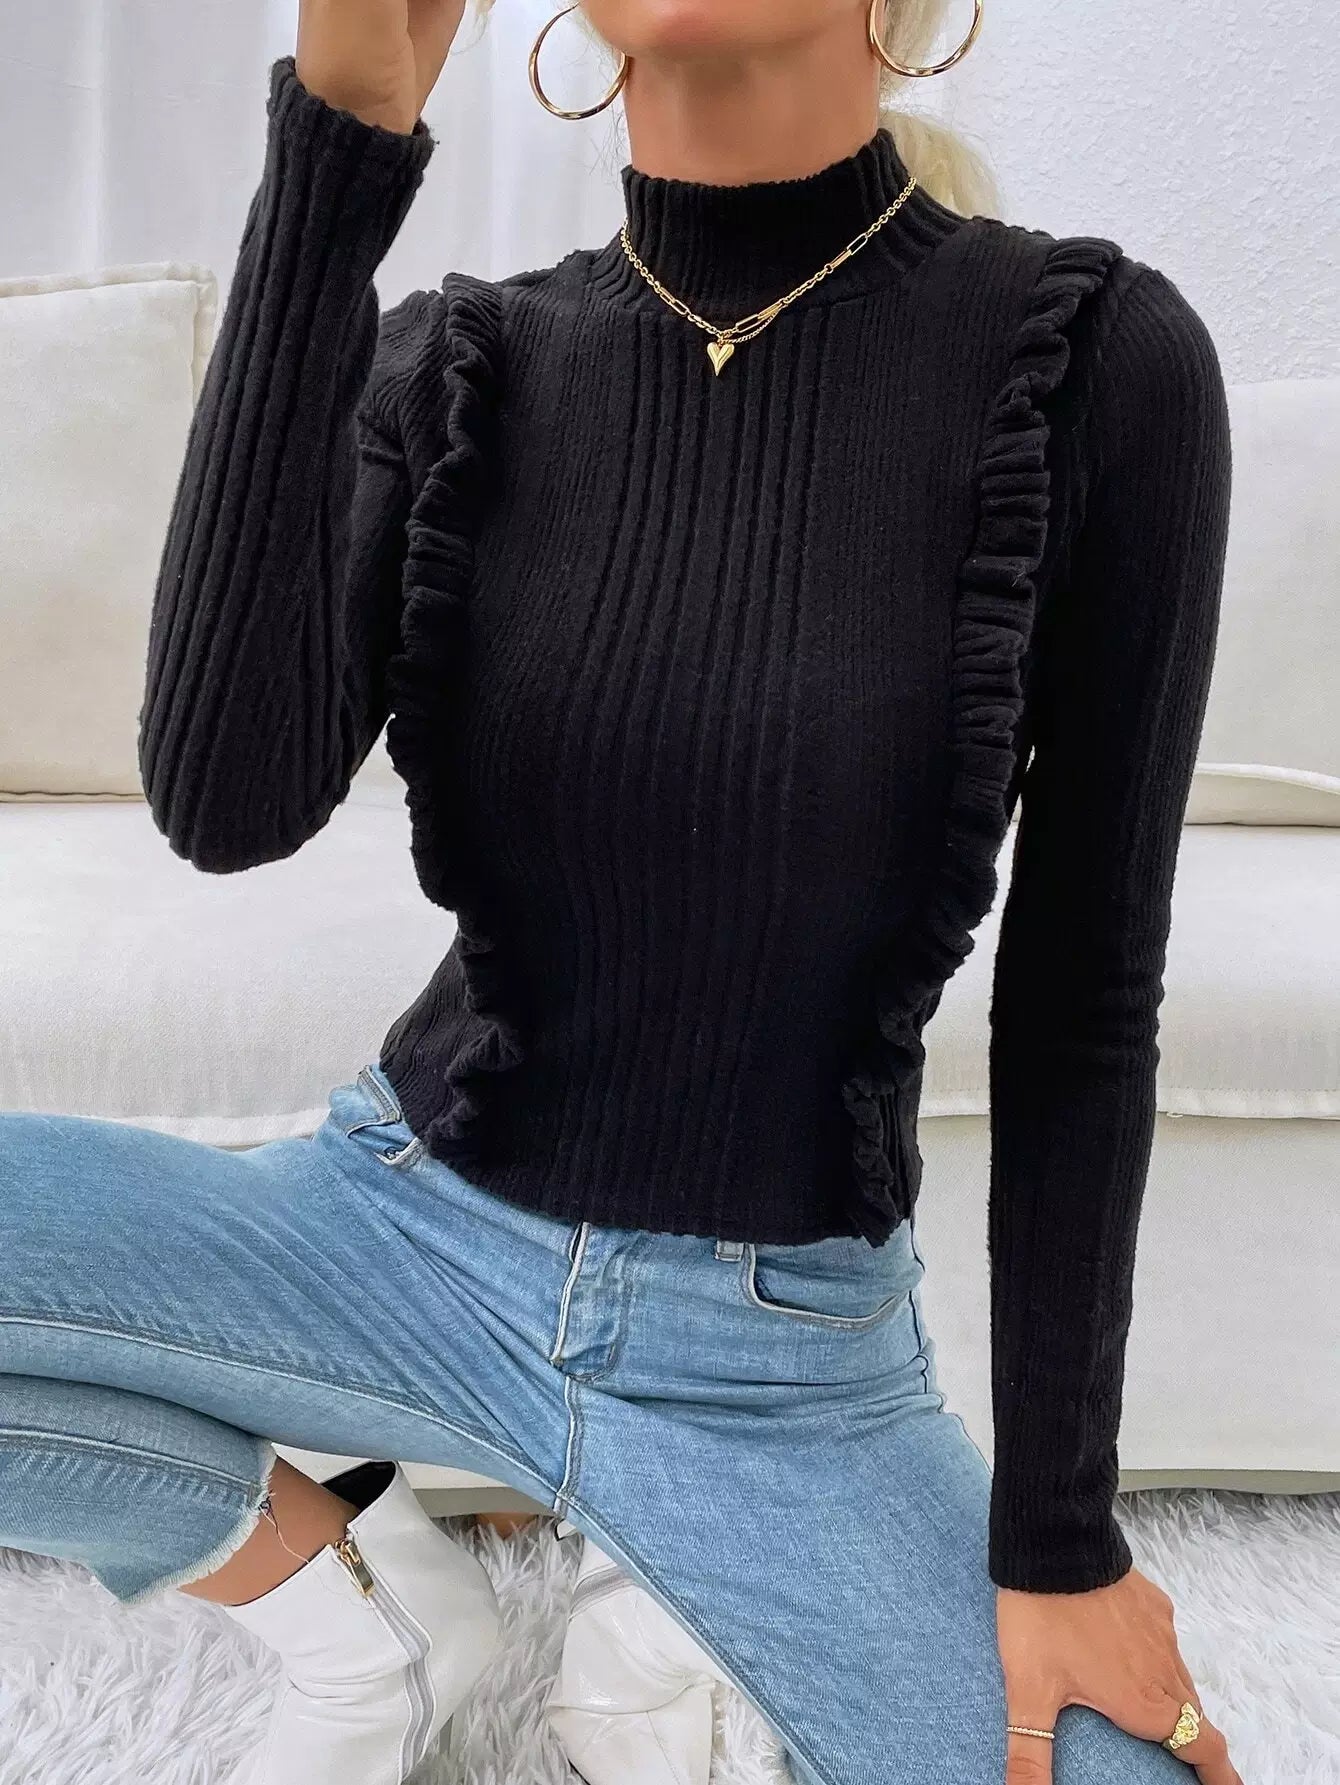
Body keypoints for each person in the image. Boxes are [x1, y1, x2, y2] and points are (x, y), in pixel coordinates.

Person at [0, 2, 1241, 1781]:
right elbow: (222, 799)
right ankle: (360, 1612)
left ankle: (659, 1595)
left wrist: (1062, 1546)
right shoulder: (464, 364)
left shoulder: (1095, 356)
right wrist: (340, 145)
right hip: (402, 1229)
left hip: (773, 1365)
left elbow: (1083, 1001)